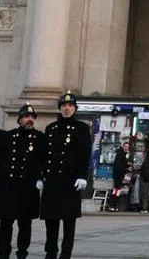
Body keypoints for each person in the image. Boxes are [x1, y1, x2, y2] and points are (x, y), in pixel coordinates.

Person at [36, 92, 91, 259]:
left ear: (75, 108)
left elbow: (84, 153)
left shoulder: (81, 128)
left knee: (69, 221)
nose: (67, 108)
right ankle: (51, 251)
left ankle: (66, 253)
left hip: (70, 181)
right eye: (64, 106)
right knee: (51, 221)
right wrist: (40, 176)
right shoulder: (51, 128)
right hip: (52, 181)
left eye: (70, 106)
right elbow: (43, 155)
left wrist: (82, 175)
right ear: (60, 108)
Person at [0, 104, 41, 259]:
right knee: (5, 224)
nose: (30, 119)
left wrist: (41, 177)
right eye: (26, 117)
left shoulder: (40, 138)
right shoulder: (9, 137)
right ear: (19, 119)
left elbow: (44, 161)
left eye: (32, 117)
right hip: (9, 188)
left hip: (27, 189)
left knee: (25, 225)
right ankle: (3, 253)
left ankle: (22, 253)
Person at [109, 141, 131, 212]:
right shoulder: (121, 153)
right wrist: (127, 165)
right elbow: (119, 165)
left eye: (127, 147)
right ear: (123, 146)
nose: (126, 148)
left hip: (121, 175)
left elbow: (124, 164)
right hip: (118, 175)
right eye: (125, 146)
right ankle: (112, 205)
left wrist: (127, 165)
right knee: (116, 190)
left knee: (117, 190)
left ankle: (114, 206)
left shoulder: (124, 154)